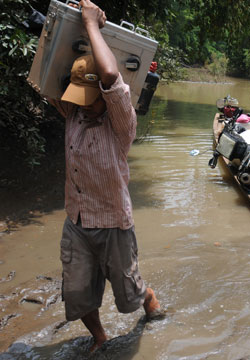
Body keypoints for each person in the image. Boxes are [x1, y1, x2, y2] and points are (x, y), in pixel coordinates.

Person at [39, 0, 163, 351]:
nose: (83, 104)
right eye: (78, 97)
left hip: (113, 223)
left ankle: (147, 296)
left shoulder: (120, 122)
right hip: (77, 221)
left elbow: (109, 77)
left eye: (91, 98)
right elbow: (44, 78)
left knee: (128, 295)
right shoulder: (72, 113)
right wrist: (66, 27)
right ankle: (100, 337)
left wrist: (92, 24)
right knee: (76, 293)